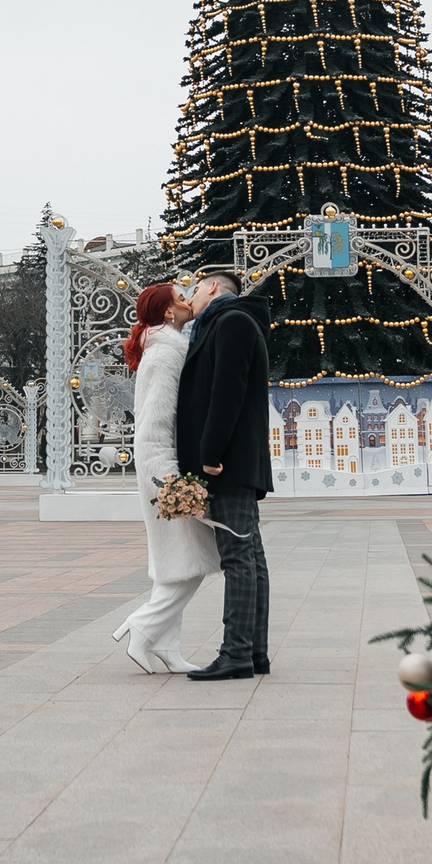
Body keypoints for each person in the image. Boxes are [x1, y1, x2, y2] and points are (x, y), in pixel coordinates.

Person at [109, 282, 217, 674]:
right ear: (168, 313)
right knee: (194, 561)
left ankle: (166, 646)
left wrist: (197, 310)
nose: (189, 301)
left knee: (177, 562)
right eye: (181, 298)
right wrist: (170, 481)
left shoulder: (166, 345)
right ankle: (142, 626)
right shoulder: (164, 355)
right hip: (162, 471)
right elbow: (153, 426)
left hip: (163, 469)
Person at [173, 268, 274, 680]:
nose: (190, 297)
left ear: (213, 288)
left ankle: (236, 654)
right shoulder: (228, 322)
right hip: (234, 460)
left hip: (228, 462)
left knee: (238, 557)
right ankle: (253, 654)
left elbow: (226, 390)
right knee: (250, 557)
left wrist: (210, 453)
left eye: (195, 289)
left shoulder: (231, 321)